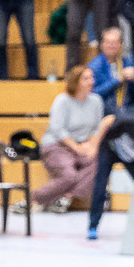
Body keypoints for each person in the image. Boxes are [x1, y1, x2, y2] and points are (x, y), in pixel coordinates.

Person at [33, 67, 106, 212]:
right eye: (86, 78)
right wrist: (77, 148)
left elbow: (96, 129)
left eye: (91, 78)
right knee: (69, 176)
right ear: (76, 82)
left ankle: (66, 197)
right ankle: (35, 199)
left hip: (83, 144)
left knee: (100, 163)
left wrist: (92, 147)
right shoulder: (62, 100)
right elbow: (57, 129)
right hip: (57, 145)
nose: (91, 81)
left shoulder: (96, 101)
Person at [87, 111, 134, 241]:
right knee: (100, 185)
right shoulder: (131, 120)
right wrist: (94, 146)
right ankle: (93, 226)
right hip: (109, 148)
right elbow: (107, 121)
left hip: (130, 156)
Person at [88, 24, 134, 118]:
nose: (111, 46)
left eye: (115, 42)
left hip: (128, 108)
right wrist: (116, 81)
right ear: (102, 45)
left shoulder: (127, 62)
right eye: (108, 42)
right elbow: (92, 94)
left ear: (121, 45)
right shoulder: (96, 65)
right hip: (105, 111)